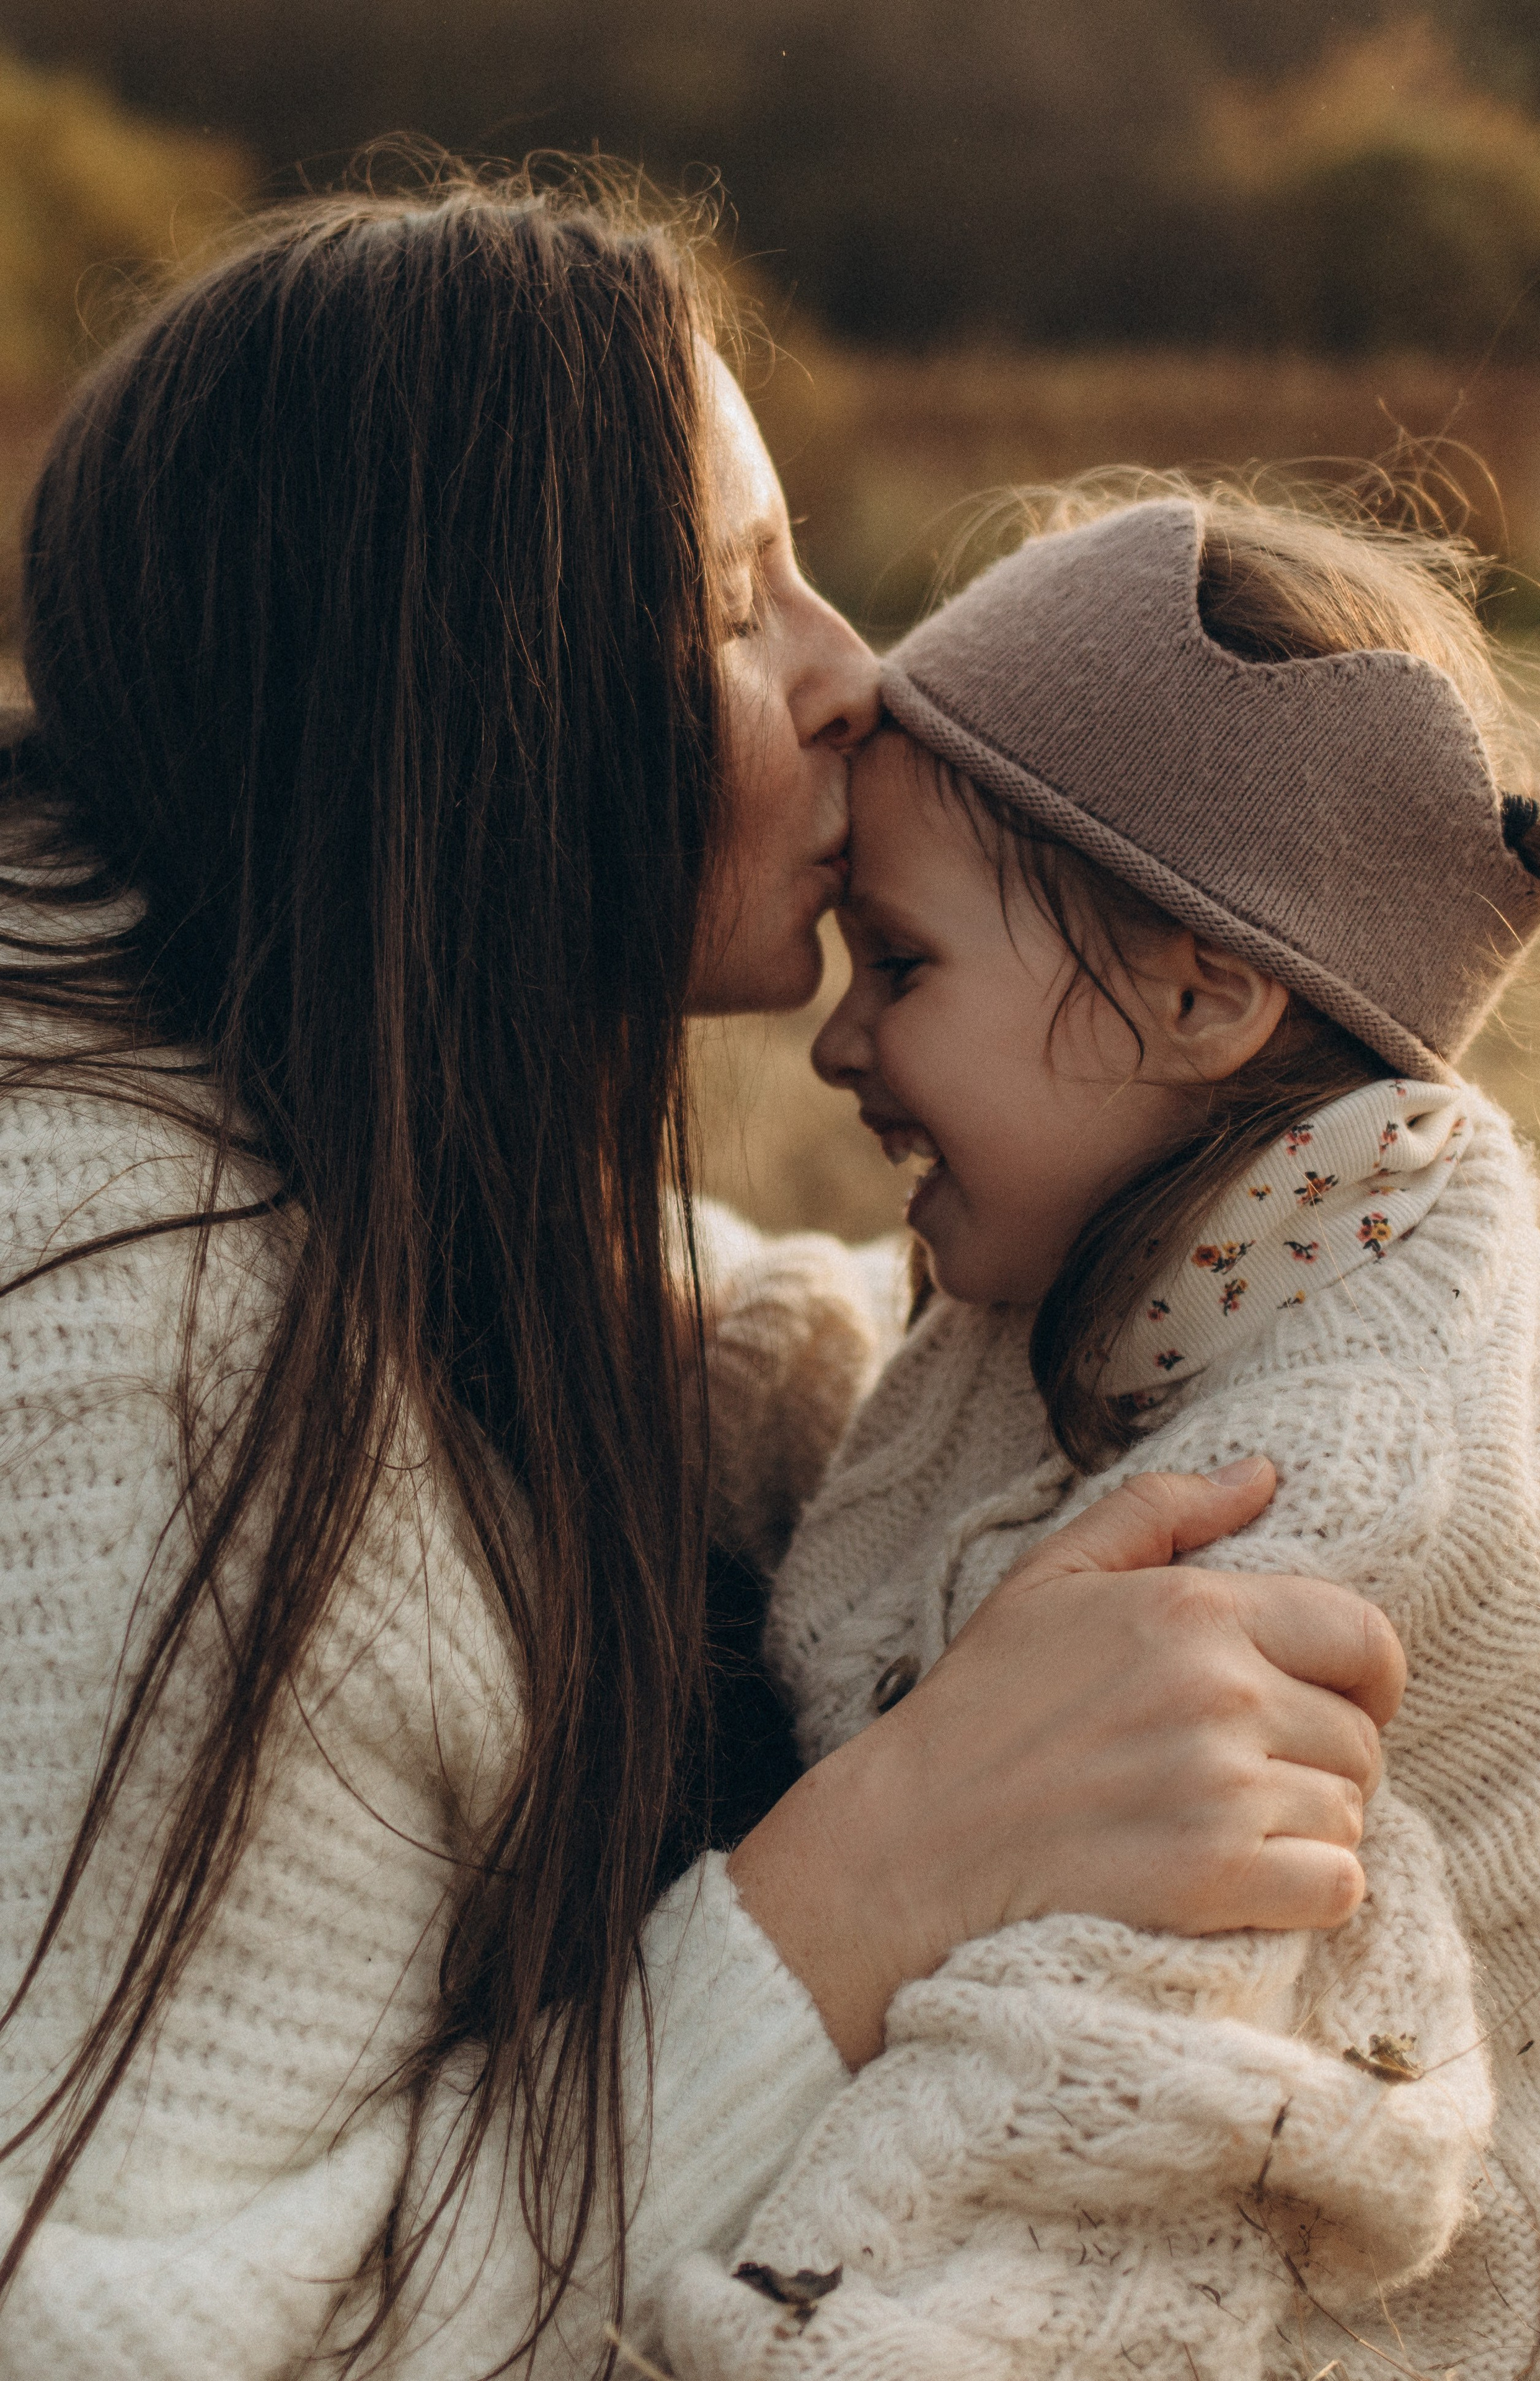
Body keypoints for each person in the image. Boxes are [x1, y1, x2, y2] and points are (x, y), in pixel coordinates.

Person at [0, 184, 1402, 2380]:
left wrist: (1248, 1330)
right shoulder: (150, 1350)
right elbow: (126, 2338)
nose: (858, 675)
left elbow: (664, 1320)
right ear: (466, 705)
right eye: (742, 602)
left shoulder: (270, 1091)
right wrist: (877, 1878)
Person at [662, 486, 1540, 2381]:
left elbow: (1103, 2061)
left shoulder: (1343, 1460)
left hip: (1400, 2274)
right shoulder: (1170, 1241)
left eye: (902, 964)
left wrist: (798, 2326)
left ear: (1197, 992)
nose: (838, 1043)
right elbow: (883, 1430)